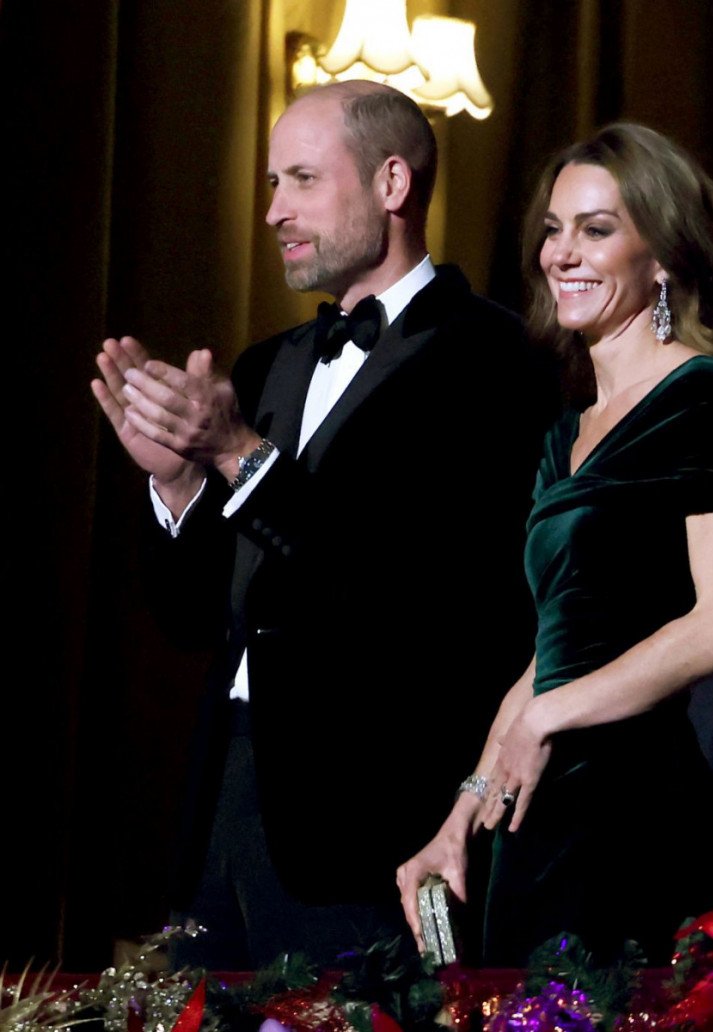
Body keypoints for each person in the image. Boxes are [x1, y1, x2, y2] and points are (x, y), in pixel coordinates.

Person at [91, 81, 550, 968]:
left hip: (368, 825)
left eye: (301, 179)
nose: (273, 211)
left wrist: (240, 457)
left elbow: (409, 596)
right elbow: (192, 617)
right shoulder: (268, 364)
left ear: (391, 183)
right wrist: (177, 485)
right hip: (224, 802)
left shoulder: (494, 362)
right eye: (273, 183)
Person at [397, 123, 713, 967]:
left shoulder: (700, 392)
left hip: (627, 795)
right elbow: (551, 652)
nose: (561, 253)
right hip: (538, 801)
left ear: (661, 257)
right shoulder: (567, 431)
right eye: (554, 229)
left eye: (596, 229)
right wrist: (460, 816)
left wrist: (550, 716)